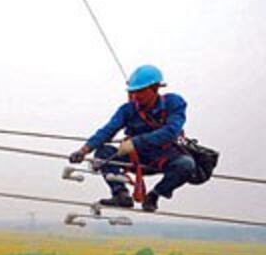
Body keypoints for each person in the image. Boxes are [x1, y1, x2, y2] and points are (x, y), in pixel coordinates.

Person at [69, 65, 195, 212]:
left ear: (155, 89)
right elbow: (107, 131)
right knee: (103, 153)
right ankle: (121, 195)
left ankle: (154, 195)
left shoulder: (173, 103)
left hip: (165, 155)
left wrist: (136, 142)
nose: (135, 96)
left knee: (186, 165)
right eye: (132, 92)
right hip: (136, 158)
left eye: (140, 91)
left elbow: (171, 131)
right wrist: (84, 150)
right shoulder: (127, 110)